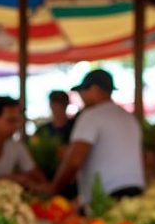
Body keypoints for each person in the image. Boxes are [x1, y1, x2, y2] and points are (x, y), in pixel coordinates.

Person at [47, 69, 145, 206]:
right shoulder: (129, 118)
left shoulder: (91, 116)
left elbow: (74, 161)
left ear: (95, 89)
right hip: (136, 195)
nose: (81, 96)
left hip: (105, 198)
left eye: (82, 91)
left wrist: (53, 190)